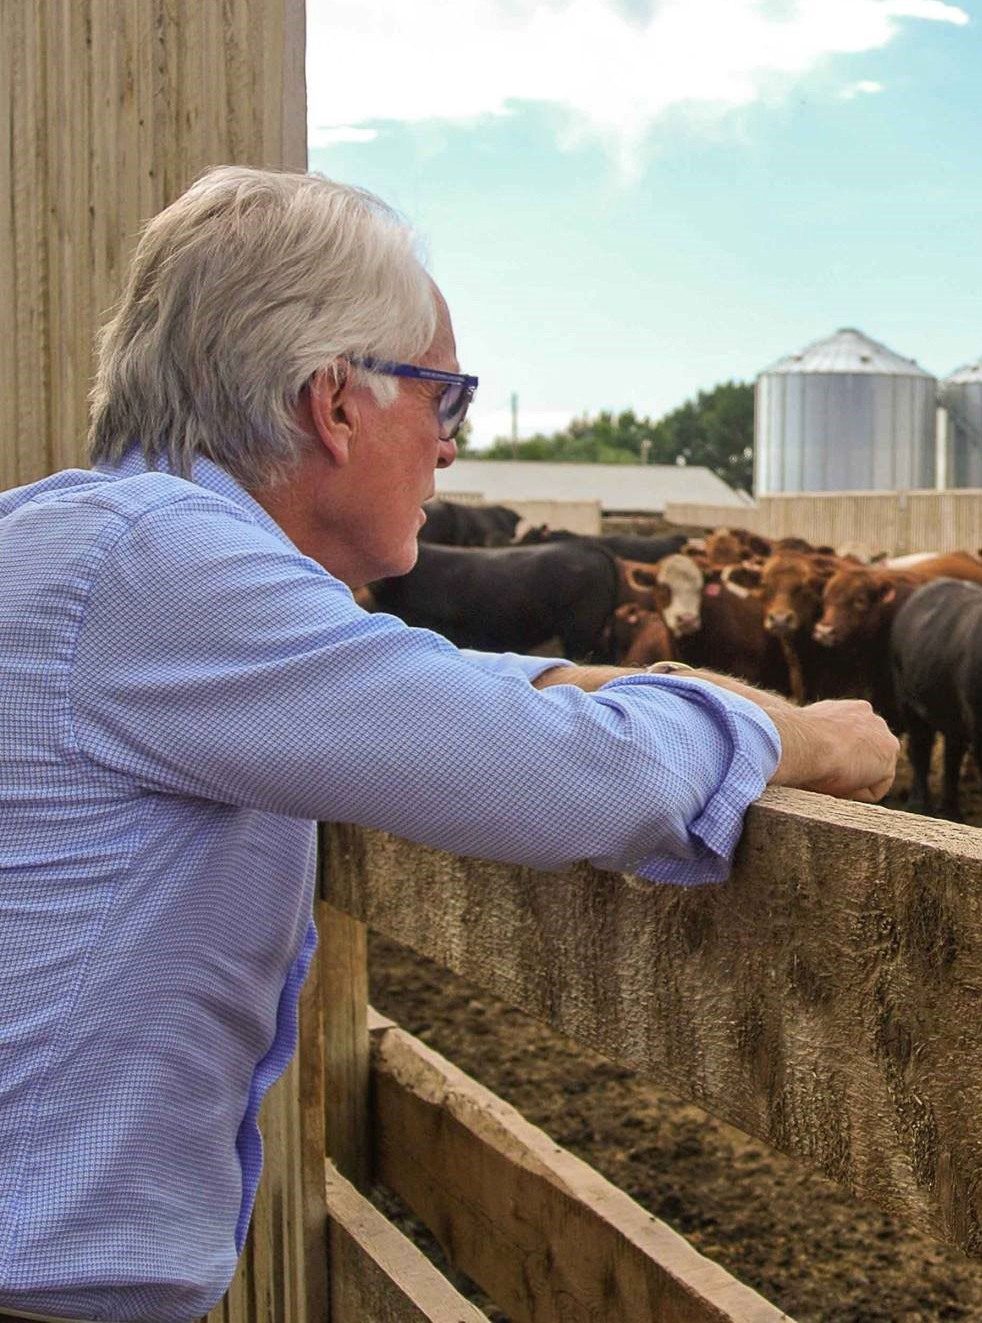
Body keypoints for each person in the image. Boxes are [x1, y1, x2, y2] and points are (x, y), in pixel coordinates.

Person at [0, 167, 898, 1323]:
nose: (450, 451)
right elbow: (568, 773)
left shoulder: (81, 546)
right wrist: (804, 740)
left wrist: (602, 683)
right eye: (447, 399)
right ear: (336, 400)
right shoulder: (163, 573)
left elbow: (437, 694)